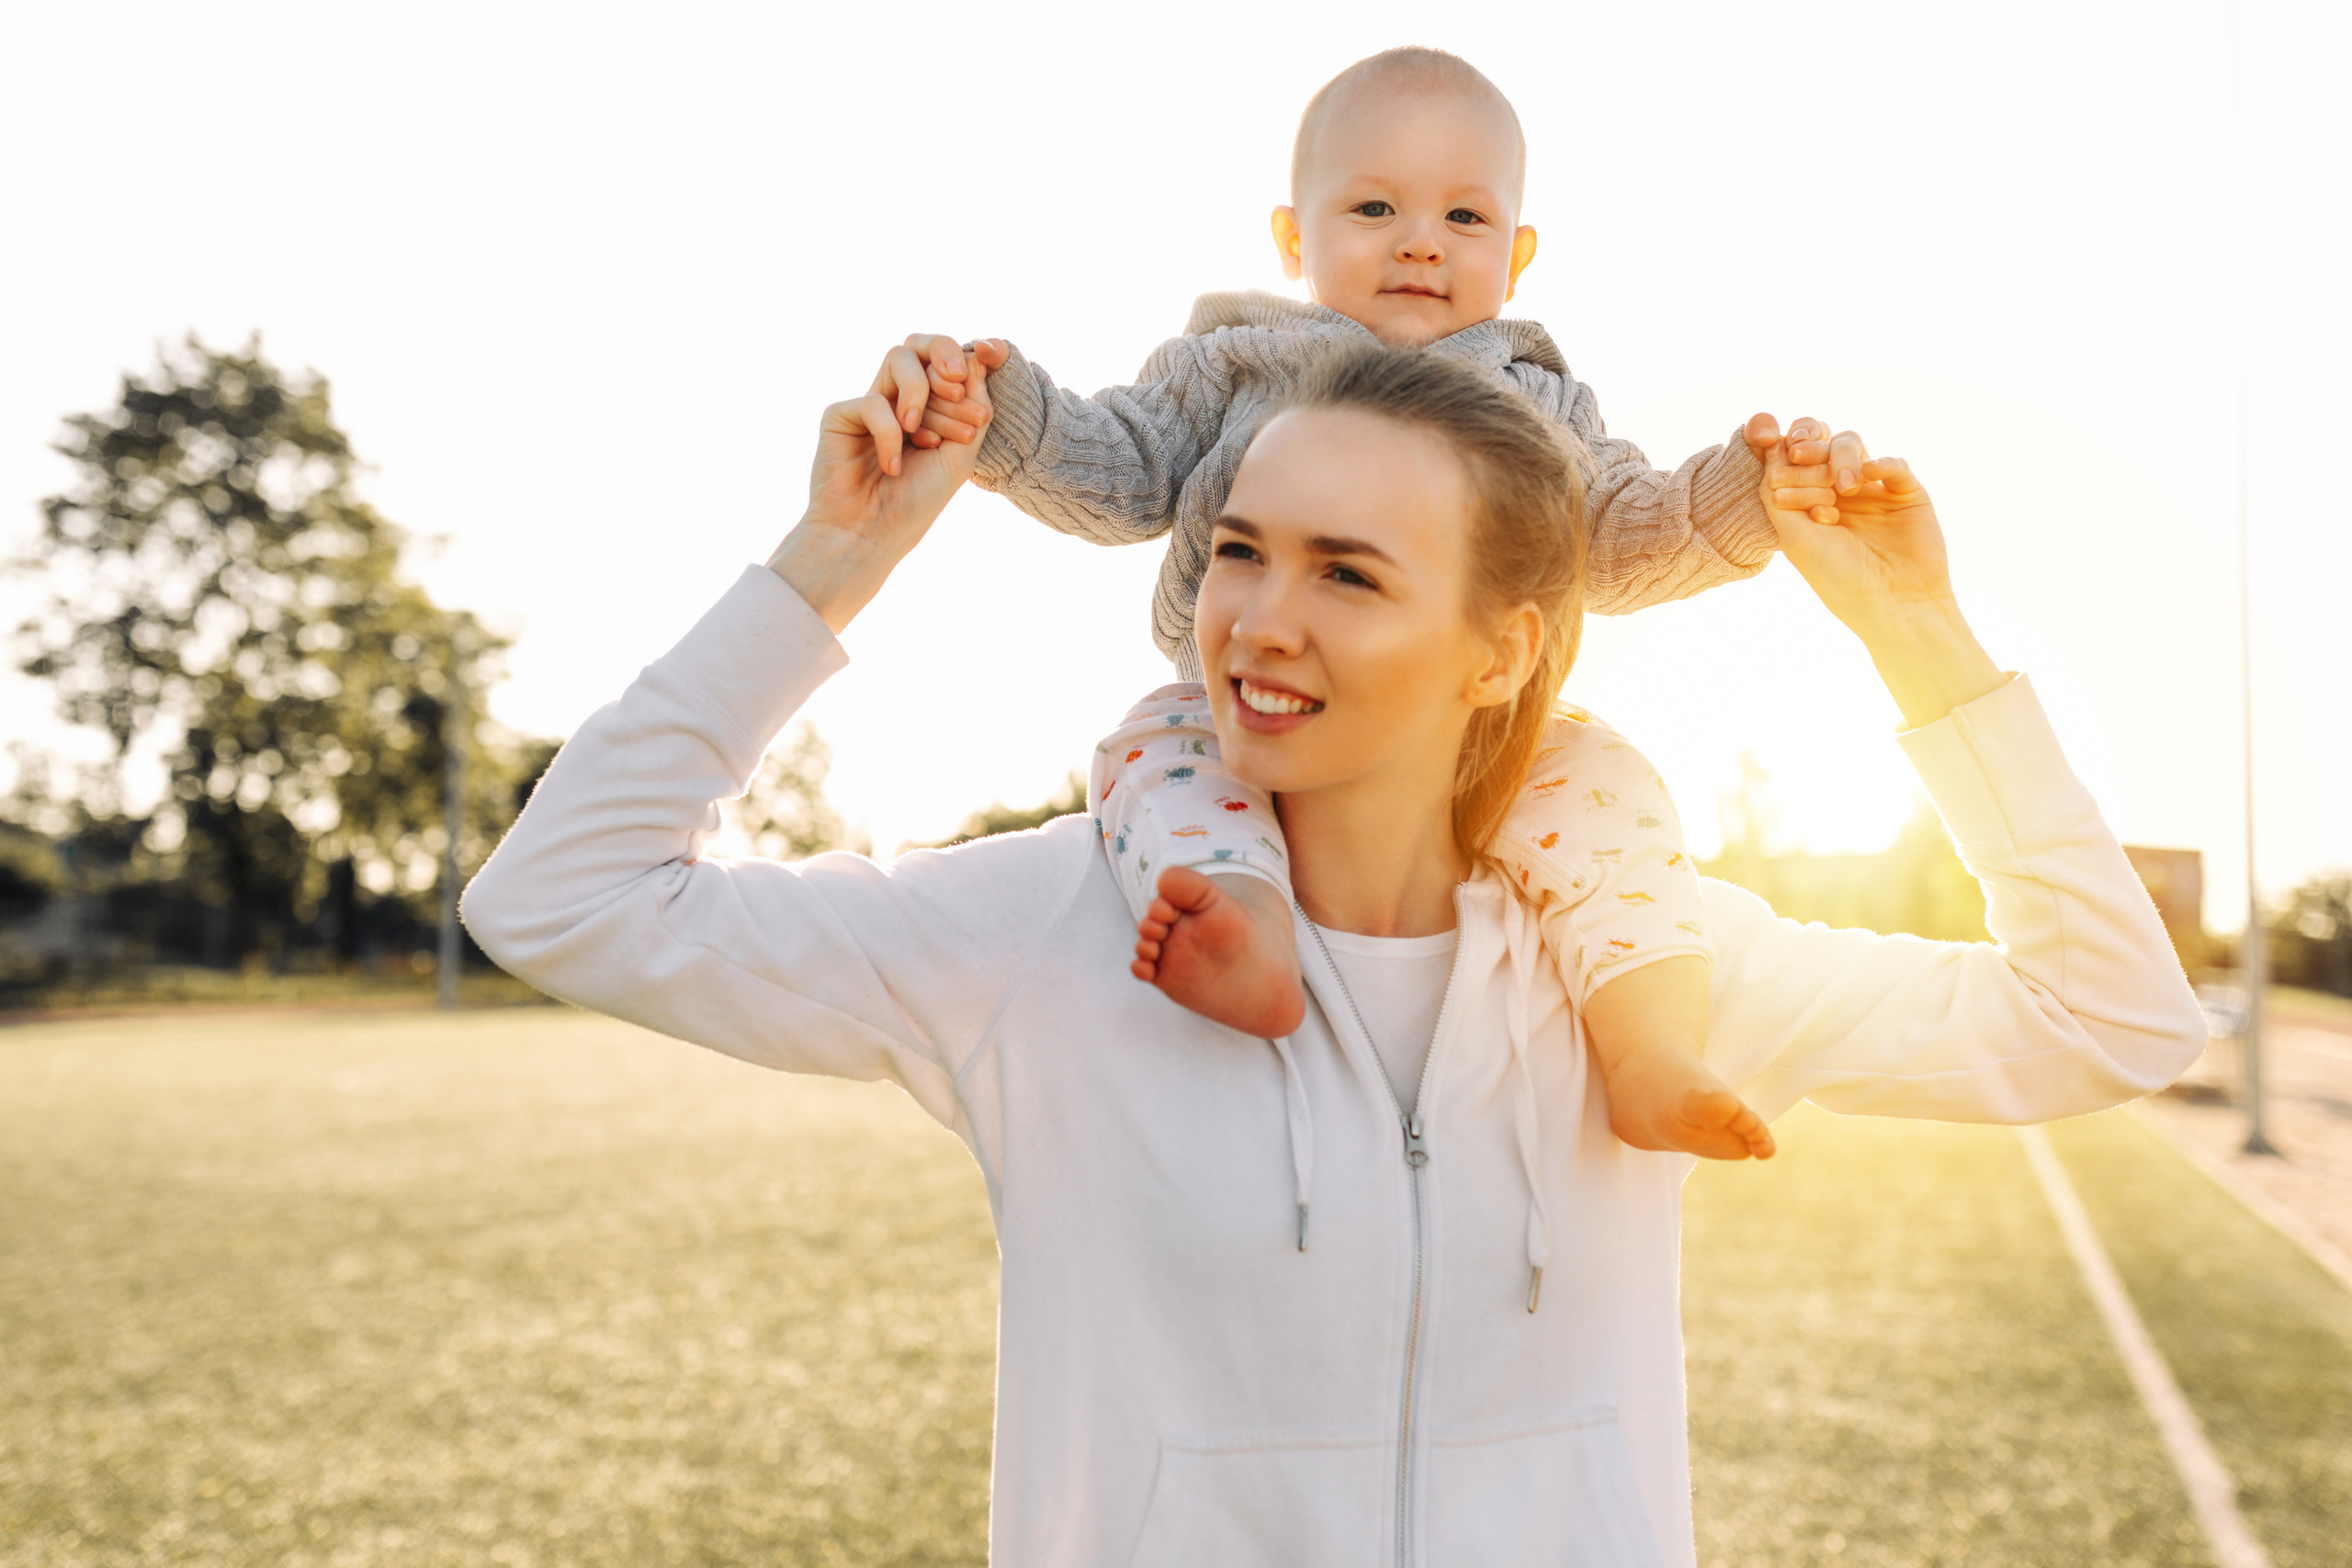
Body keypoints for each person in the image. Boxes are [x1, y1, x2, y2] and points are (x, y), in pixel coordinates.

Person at [461, 344, 2204, 1567]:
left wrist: (1920, 634)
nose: (1260, 621)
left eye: (1350, 574)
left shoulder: (1643, 958)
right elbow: (563, 896)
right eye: (1238, 554)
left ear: (1501, 650)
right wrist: (837, 559)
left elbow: (2108, 1015)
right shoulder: (1051, 931)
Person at [876, 45, 1837, 1162]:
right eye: (1375, 206)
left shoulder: (1536, 403)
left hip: (1482, 739)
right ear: (1295, 238)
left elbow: (1615, 538)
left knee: (1610, 795)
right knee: (1155, 751)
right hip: (1243, 717)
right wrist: (1000, 411)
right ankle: (1246, 927)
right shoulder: (1237, 364)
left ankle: (1650, 1050)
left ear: (1517, 257)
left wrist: (1742, 500)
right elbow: (1124, 468)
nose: (1421, 240)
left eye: (1465, 218)